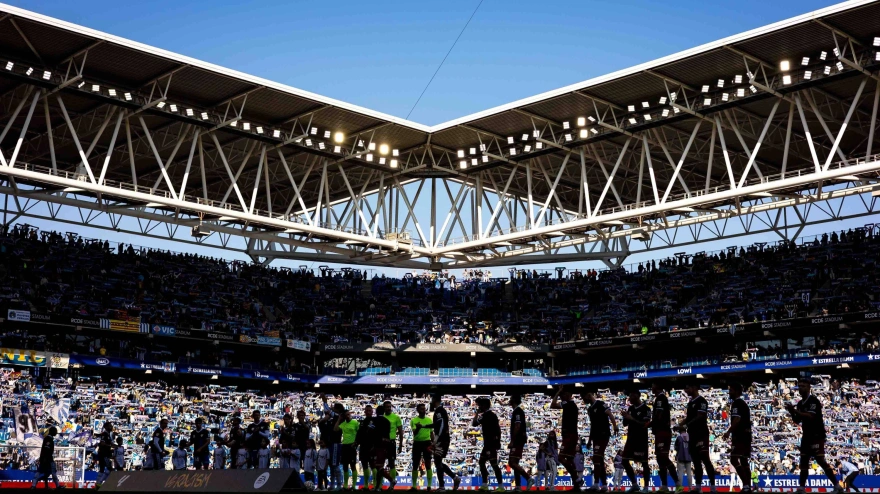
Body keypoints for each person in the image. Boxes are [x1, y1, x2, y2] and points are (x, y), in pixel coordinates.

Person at [785, 377, 842, 494]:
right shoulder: (800, 403)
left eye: (803, 386)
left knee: (820, 460)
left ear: (809, 387)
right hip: (806, 436)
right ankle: (801, 488)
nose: (801, 388)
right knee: (803, 461)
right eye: (799, 386)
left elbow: (810, 416)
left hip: (817, 434)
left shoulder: (813, 401)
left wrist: (795, 411)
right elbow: (797, 420)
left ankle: (837, 486)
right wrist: (791, 411)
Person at [678, 383, 716, 493]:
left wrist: (686, 424)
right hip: (692, 435)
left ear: (694, 388)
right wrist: (680, 424)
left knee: (705, 459)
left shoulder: (702, 401)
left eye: (687, 387)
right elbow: (688, 418)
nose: (685, 390)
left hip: (701, 434)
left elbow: (700, 416)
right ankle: (698, 487)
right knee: (696, 461)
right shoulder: (690, 403)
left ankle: (713, 487)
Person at [583, 389, 619, 492]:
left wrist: (615, 426)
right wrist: (589, 440)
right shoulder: (590, 410)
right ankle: (604, 485)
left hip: (603, 435)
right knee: (599, 460)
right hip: (595, 437)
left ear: (589, 395)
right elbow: (592, 426)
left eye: (584, 397)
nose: (583, 400)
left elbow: (610, 414)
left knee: (596, 457)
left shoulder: (600, 404)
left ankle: (596, 484)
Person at [649, 382, 681, 493]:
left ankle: (678, 484)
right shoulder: (660, 398)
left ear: (657, 387)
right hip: (659, 432)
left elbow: (658, 414)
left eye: (653, 386)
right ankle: (664, 485)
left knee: (663, 457)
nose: (651, 388)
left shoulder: (660, 399)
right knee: (659, 458)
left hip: (663, 432)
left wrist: (650, 424)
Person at [551, 386, 583, 491]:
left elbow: (553, 405)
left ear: (569, 395)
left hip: (569, 435)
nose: (561, 396)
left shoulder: (568, 404)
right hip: (571, 435)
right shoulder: (570, 405)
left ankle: (577, 477)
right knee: (569, 459)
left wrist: (558, 391)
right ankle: (577, 485)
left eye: (563, 394)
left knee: (561, 458)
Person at [722, 383, 752, 493]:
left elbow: (737, 419)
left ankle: (746, 484)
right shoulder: (743, 403)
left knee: (734, 459)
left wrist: (728, 432)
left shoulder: (737, 403)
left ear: (737, 391)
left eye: (731, 390)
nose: (729, 392)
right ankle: (747, 486)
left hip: (740, 435)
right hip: (746, 435)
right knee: (744, 460)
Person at [621, 389, 651, 493]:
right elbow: (625, 424)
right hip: (631, 439)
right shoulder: (630, 408)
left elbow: (645, 424)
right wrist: (625, 416)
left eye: (631, 396)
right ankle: (634, 484)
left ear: (637, 396)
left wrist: (631, 418)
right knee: (624, 460)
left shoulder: (646, 409)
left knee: (644, 463)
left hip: (641, 439)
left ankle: (646, 487)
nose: (629, 398)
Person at [472, 397, 504, 492]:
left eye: (480, 405)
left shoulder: (488, 415)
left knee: (493, 464)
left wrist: (477, 413)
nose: (479, 407)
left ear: (484, 405)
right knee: (482, 462)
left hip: (490, 444)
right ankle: (485, 484)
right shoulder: (488, 415)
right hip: (488, 444)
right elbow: (474, 424)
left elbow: (474, 423)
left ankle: (500, 486)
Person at [430, 394, 461, 491]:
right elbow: (436, 425)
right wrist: (424, 426)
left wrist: (436, 438)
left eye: (432, 399)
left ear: (435, 399)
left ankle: (442, 486)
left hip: (442, 440)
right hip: (443, 439)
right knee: (438, 462)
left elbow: (441, 425)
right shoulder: (440, 411)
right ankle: (454, 478)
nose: (431, 401)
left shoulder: (439, 411)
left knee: (438, 462)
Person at [507, 394, 535, 491]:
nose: (509, 400)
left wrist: (512, 441)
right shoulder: (517, 411)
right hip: (519, 439)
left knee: (512, 463)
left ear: (514, 400)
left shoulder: (518, 411)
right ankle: (518, 486)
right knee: (515, 463)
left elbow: (517, 426)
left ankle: (528, 478)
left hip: (518, 440)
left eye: (510, 398)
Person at [371, 405, 397, 491]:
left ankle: (390, 481)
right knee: (379, 466)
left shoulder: (374, 420)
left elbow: (371, 432)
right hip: (386, 445)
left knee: (378, 467)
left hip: (377, 445)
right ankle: (378, 486)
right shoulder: (387, 421)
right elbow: (387, 434)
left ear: (376, 412)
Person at [410, 402, 434, 491]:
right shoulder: (414, 420)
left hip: (427, 443)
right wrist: (418, 428)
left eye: (424, 409)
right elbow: (415, 433)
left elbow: (432, 433)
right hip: (417, 443)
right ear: (418, 410)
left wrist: (433, 443)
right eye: (421, 409)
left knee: (428, 464)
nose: (423, 410)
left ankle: (429, 486)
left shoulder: (429, 420)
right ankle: (414, 486)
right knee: (415, 464)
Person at [336, 408, 360, 489]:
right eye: (347, 415)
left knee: (353, 466)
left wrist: (356, 442)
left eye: (349, 414)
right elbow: (335, 429)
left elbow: (359, 433)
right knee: (345, 466)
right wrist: (339, 419)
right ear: (344, 416)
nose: (348, 416)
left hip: (352, 446)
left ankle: (353, 486)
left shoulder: (355, 422)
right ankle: (345, 485)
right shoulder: (343, 424)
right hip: (344, 446)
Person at [384, 400, 404, 484]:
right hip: (382, 443)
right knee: (380, 464)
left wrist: (400, 445)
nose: (389, 408)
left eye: (390, 407)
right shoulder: (381, 417)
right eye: (387, 407)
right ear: (384, 408)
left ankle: (392, 484)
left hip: (391, 443)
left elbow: (400, 432)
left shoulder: (396, 417)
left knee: (391, 463)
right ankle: (379, 485)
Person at [357, 405, 377, 490]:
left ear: (372, 412)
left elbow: (377, 435)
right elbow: (359, 435)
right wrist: (356, 443)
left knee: (373, 466)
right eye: (367, 410)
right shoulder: (362, 422)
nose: (368, 412)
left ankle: (375, 485)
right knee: (364, 465)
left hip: (372, 447)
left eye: (370, 410)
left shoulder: (375, 422)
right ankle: (366, 485)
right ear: (364, 412)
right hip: (363, 447)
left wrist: (375, 446)